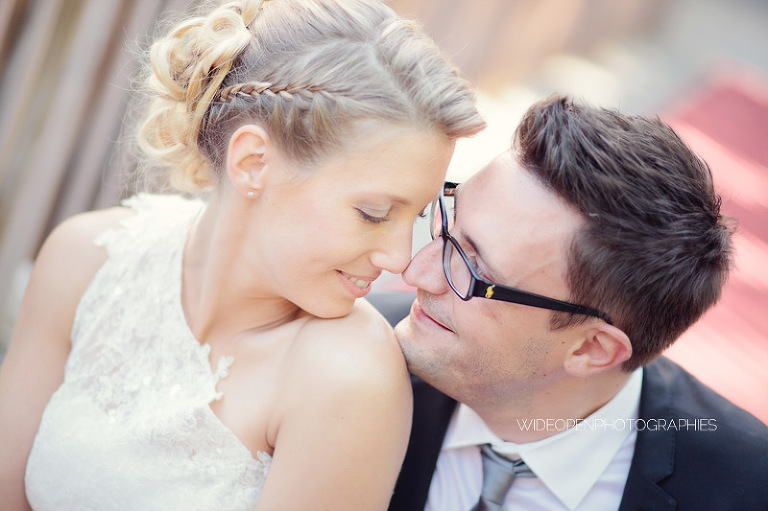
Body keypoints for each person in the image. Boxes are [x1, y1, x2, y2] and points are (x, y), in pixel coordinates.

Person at [0, 1, 485, 509]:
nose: (399, 258)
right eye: (373, 213)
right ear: (253, 162)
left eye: (417, 216)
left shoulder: (348, 374)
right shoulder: (86, 261)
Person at [387, 95, 768, 510]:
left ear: (591, 348)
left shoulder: (748, 489)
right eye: (448, 227)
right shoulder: (353, 349)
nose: (415, 273)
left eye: (475, 272)